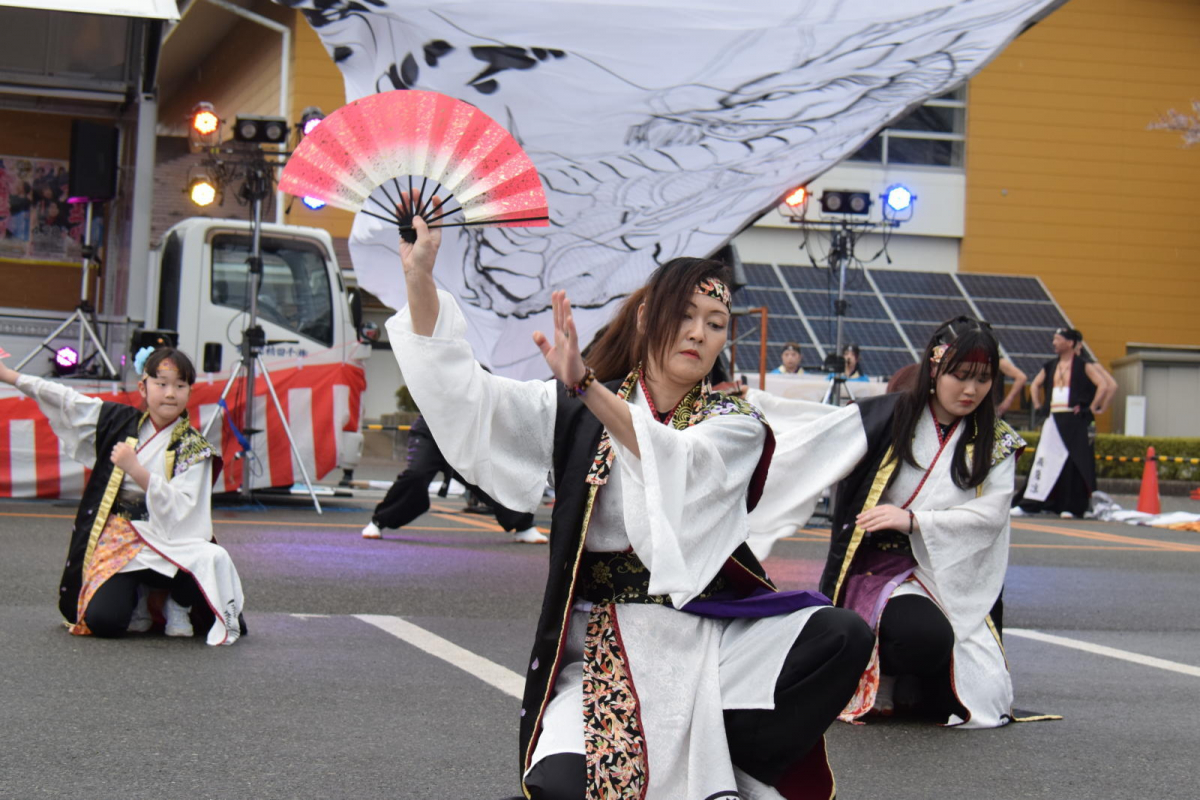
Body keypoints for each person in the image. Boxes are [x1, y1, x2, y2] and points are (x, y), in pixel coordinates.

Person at [389, 195, 872, 800]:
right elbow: (471, 398)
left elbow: (678, 460)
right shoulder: (574, 406)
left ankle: (737, 765)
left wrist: (587, 387)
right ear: (646, 318)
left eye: (715, 323)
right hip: (600, 643)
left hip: (702, 639)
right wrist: (419, 279)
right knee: (560, 790)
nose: (699, 333)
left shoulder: (733, 422)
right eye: (685, 315)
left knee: (841, 636)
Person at [750, 316, 1026, 727]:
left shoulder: (996, 439)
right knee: (922, 636)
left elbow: (991, 514)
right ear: (935, 368)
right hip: (880, 568)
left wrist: (914, 520)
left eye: (983, 379)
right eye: (960, 376)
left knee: (985, 692)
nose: (971, 390)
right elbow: (808, 443)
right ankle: (889, 674)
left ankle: (915, 679)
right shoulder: (889, 416)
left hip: (950, 570)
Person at [0, 346, 245, 645]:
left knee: (214, 556)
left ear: (189, 392)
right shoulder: (118, 421)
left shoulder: (194, 446)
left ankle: (177, 605)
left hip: (171, 536)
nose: (170, 393)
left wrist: (137, 470)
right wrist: (9, 376)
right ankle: (138, 598)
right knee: (104, 621)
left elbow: (185, 508)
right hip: (124, 534)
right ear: (143, 387)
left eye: (180, 386)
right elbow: (66, 400)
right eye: (162, 383)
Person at [360, 413, 548, 543]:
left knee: (491, 476)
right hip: (430, 434)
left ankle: (522, 526)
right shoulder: (436, 367)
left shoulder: (480, 371)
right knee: (416, 475)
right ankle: (379, 521)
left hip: (465, 437)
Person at [1013, 328, 1111, 519]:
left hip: (1074, 419)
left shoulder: (1083, 365)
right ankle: (1032, 503)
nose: (1054, 343)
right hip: (1054, 417)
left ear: (1070, 343)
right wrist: (1038, 404)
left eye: (1058, 339)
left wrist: (1089, 407)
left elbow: (1104, 385)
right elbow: (1035, 384)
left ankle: (1072, 506)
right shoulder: (1051, 365)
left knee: (1072, 462)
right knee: (1044, 458)